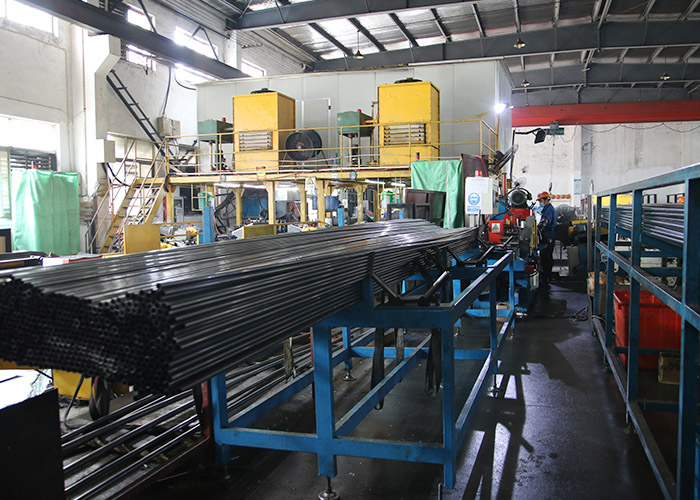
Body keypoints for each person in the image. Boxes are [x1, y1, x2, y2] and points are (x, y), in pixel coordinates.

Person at [537, 191, 557, 285]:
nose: (540, 203)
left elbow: (545, 222)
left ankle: (546, 276)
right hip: (547, 234)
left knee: (546, 256)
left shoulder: (548, 209)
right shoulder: (546, 209)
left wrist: (537, 228)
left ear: (546, 200)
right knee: (545, 256)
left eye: (540, 200)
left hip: (548, 235)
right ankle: (546, 275)